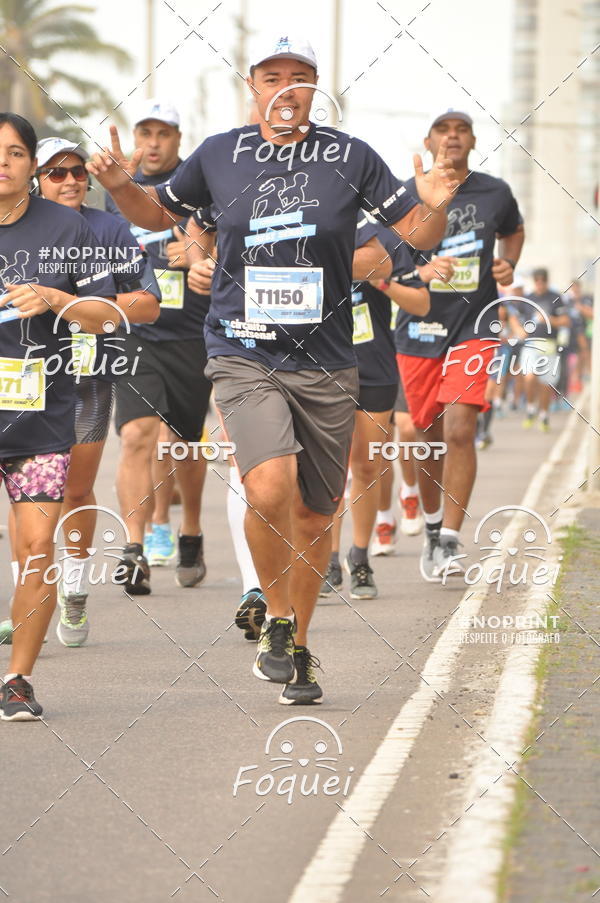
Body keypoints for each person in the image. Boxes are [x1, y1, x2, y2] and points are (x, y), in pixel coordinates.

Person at [88, 35, 457, 705]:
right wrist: (118, 185)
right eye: (272, 75)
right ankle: (276, 611)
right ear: (253, 85)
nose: (286, 87)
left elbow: (416, 232)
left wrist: (433, 202)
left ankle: (296, 641)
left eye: (299, 76)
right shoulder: (220, 154)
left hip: (327, 359)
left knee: (316, 514)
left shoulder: (349, 155)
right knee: (268, 486)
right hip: (243, 348)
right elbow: (161, 213)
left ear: (315, 87)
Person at [0, 113, 118, 720]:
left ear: (31, 166)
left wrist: (57, 299)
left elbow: (110, 315)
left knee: (37, 545)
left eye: (15, 152)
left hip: (40, 414)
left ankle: (17, 679)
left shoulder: (67, 229)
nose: (3, 162)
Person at [33, 136, 160, 645]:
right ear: (36, 179)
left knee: (74, 489)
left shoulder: (108, 229)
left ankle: (74, 589)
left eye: (77, 172)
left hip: (87, 376)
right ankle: (30, 599)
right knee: (28, 493)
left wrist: (76, 305)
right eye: (56, 173)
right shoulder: (15, 228)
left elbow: (148, 305)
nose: (70, 181)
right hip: (22, 377)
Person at [396, 109, 524, 583]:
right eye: (443, 130)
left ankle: (450, 536)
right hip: (420, 326)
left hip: (475, 326)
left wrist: (508, 262)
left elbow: (514, 231)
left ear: (472, 141)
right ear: (428, 142)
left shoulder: (495, 192)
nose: (452, 137)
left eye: (461, 130)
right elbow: (383, 254)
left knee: (460, 430)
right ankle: (432, 527)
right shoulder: (406, 192)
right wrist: (418, 273)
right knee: (426, 434)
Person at [105, 99, 213, 593]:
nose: (152, 143)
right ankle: (135, 547)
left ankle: (190, 528)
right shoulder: (118, 190)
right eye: (145, 133)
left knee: (186, 443)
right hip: (135, 333)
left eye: (163, 133)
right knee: (136, 436)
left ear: (177, 139)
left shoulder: (198, 185)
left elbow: (226, 247)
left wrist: (200, 256)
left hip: (190, 333)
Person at [321, 215, 429, 599]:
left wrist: (382, 281)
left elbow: (421, 302)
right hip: (323, 367)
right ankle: (329, 560)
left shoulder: (386, 241)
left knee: (367, 466)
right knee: (331, 470)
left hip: (374, 368)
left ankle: (360, 557)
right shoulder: (314, 229)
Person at [518, 268, 570, 431]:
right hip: (531, 344)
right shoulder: (528, 298)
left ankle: (544, 415)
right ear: (534, 281)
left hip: (549, 344)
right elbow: (513, 315)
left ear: (546, 281)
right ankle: (530, 409)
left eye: (543, 280)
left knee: (546, 383)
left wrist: (548, 319)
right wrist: (519, 330)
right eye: (537, 280)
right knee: (529, 376)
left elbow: (565, 321)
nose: (540, 283)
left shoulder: (555, 298)